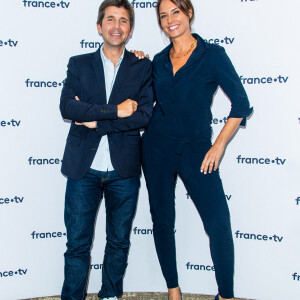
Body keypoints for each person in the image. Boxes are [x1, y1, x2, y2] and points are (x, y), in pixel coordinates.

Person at [141, 1, 253, 300]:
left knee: (218, 223)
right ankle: (174, 291)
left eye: (175, 12)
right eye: (163, 16)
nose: (170, 20)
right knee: (162, 219)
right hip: (156, 148)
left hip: (198, 150)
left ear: (189, 13)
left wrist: (219, 145)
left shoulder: (212, 55)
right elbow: (143, 97)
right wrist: (136, 61)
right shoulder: (159, 61)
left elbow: (241, 104)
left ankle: (226, 295)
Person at [59, 0, 153, 299]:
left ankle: (110, 294)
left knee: (119, 241)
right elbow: (68, 107)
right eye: (110, 20)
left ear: (130, 29)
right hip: (82, 169)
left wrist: (95, 122)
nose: (116, 26)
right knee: (77, 245)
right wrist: (115, 111)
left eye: (123, 21)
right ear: (99, 27)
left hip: (123, 169)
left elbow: (143, 115)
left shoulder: (142, 66)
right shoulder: (79, 63)